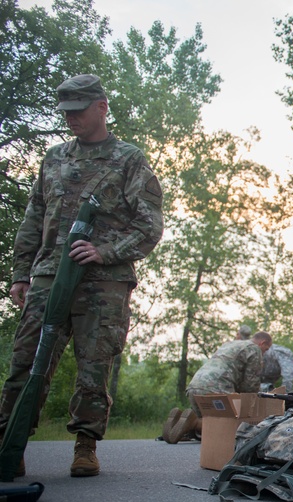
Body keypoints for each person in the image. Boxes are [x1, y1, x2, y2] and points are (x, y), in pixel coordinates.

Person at [0, 74, 163, 478]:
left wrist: (104, 252)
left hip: (102, 282)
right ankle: (10, 443)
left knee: (94, 366)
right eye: (66, 113)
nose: (71, 119)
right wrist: (21, 273)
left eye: (78, 111)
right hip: (49, 275)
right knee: (26, 361)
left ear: (101, 107)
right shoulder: (53, 158)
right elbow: (34, 217)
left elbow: (150, 226)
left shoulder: (128, 159)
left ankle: (85, 445)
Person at [163, 332, 272, 443]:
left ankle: (182, 423)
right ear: (262, 343)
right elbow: (250, 386)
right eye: (266, 349)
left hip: (194, 386)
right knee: (229, 428)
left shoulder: (230, 344)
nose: (264, 352)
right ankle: (194, 423)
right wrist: (254, 407)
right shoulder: (254, 349)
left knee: (208, 427)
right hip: (217, 389)